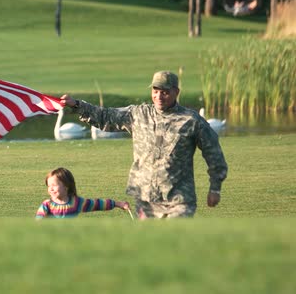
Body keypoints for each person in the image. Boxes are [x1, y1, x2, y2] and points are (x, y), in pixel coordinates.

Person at [60, 71, 228, 219]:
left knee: (174, 246)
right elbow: (105, 116)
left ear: (176, 92)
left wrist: (215, 188)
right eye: (155, 91)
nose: (159, 96)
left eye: (165, 92)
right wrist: (76, 105)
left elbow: (213, 153)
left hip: (179, 200)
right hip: (146, 198)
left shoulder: (191, 120)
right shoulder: (138, 114)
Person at [35, 167, 130, 219]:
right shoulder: (47, 204)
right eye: (48, 186)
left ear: (66, 186)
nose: (51, 189)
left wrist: (118, 204)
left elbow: (97, 204)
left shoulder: (76, 203)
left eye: (54, 185)